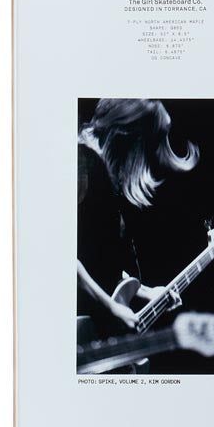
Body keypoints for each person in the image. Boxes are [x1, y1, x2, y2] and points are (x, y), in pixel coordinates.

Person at [77, 99, 199, 331]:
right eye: (146, 149)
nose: (145, 162)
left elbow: (101, 267)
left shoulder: (102, 178)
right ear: (126, 137)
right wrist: (111, 308)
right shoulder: (82, 163)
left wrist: (146, 292)